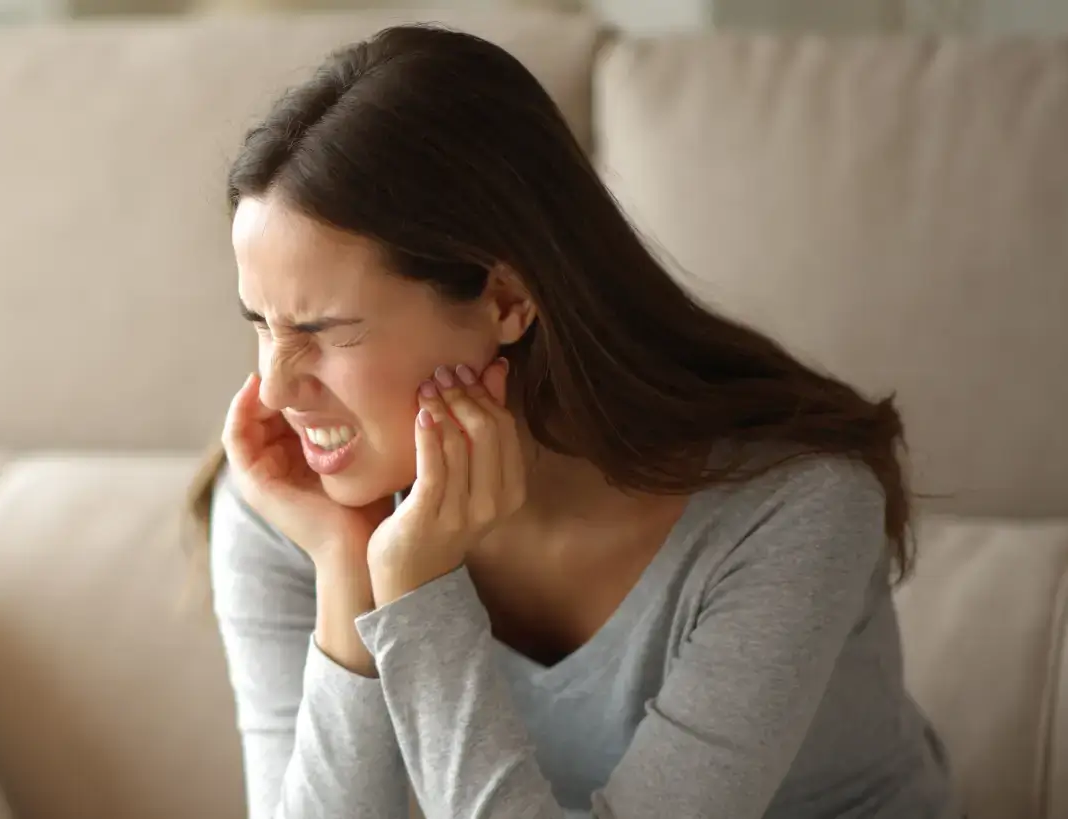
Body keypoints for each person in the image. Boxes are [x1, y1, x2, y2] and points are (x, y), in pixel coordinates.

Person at [190, 23, 959, 819]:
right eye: (262, 323)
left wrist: (417, 597)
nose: (276, 389)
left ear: (505, 300)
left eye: (326, 330)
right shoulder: (293, 504)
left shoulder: (793, 510)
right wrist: (349, 575)